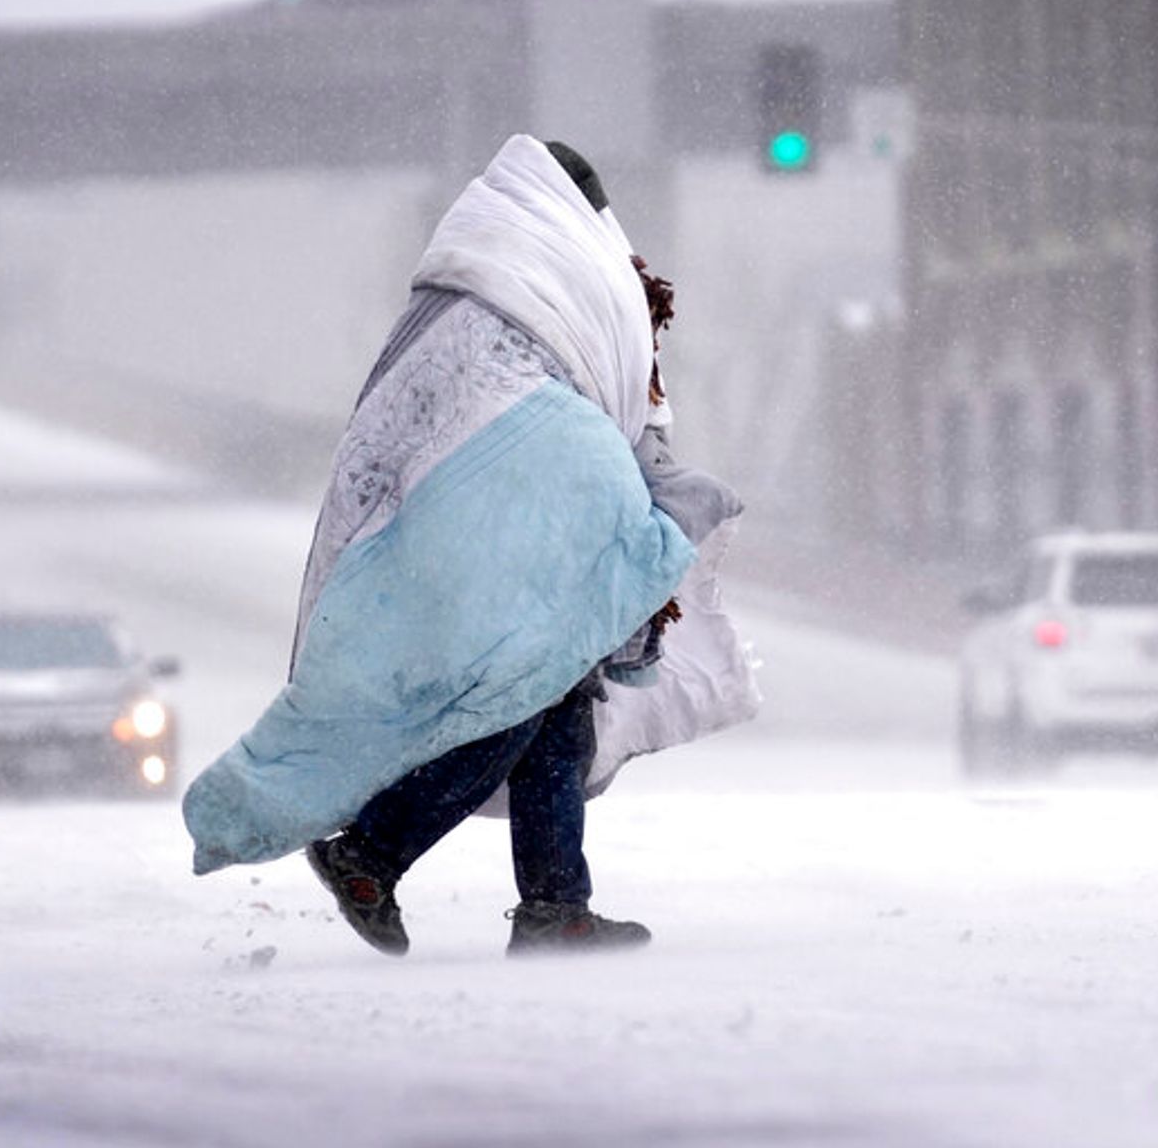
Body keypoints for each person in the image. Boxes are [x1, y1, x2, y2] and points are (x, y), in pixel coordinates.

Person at [182, 136, 754, 957]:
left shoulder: (474, 287)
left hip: (460, 520)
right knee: (522, 692)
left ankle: (555, 904)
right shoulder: (557, 281)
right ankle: (371, 852)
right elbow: (582, 403)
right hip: (499, 521)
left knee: (555, 697)